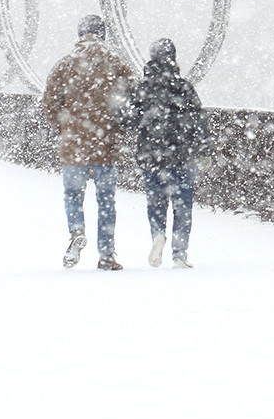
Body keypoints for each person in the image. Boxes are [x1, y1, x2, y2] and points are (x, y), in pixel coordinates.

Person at [40, 15, 136, 270]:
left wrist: (63, 127)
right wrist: (116, 125)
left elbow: (49, 101)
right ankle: (107, 255)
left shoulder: (65, 63)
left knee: (73, 195)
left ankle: (76, 232)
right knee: (106, 200)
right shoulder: (117, 63)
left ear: (80, 34)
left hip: (74, 145)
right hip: (107, 144)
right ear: (102, 34)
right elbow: (132, 99)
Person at [122, 38, 212, 269]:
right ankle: (179, 255)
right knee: (182, 207)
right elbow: (199, 122)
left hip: (151, 157)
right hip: (182, 156)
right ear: (173, 58)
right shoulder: (184, 87)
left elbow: (129, 121)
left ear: (151, 59)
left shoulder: (143, 88)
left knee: (156, 203)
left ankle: (158, 236)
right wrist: (205, 151)